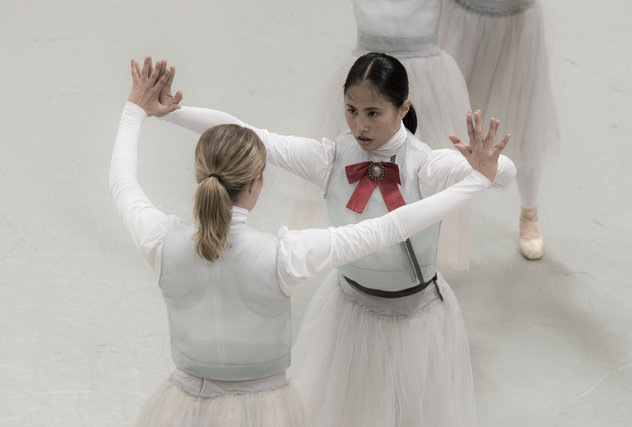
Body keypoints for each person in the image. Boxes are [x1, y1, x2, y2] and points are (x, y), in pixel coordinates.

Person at [111, 56, 508, 426]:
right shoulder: (330, 158)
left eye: (374, 113)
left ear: (403, 109)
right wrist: (173, 113)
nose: (360, 125)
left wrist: (488, 166)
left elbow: (503, 172)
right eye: (351, 110)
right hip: (349, 311)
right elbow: (252, 135)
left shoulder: (428, 165)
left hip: (415, 317)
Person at [304, 0, 475, 269]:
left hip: (426, 74)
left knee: (423, 171)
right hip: (368, 74)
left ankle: (420, 252)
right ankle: (366, 253)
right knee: (352, 161)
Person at [438, 0, 560, 260]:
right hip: (460, 17)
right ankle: (430, 215)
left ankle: (530, 214)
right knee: (445, 113)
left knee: (523, 119)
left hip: (515, 22)